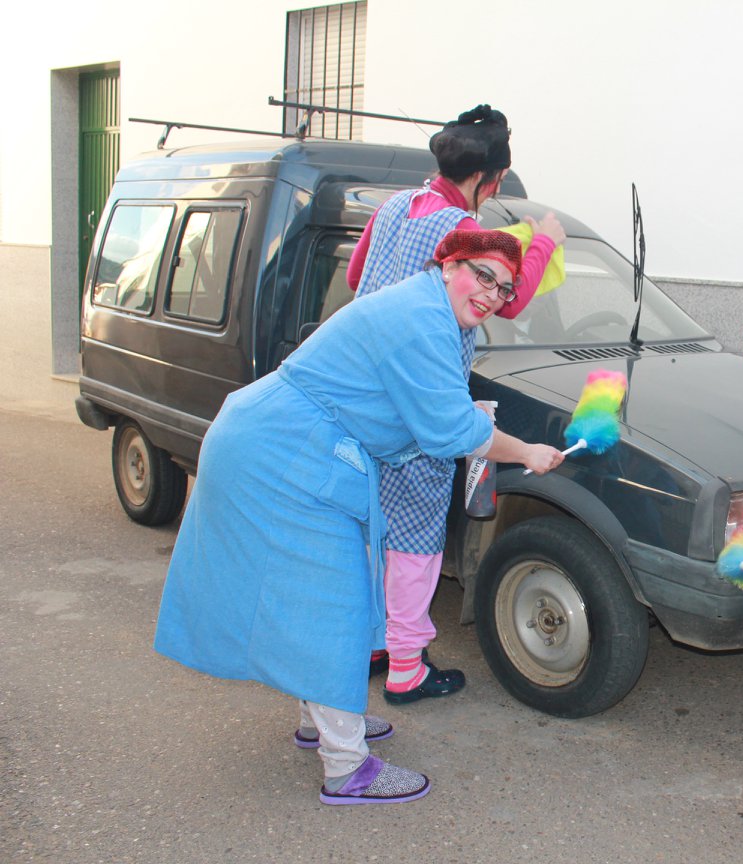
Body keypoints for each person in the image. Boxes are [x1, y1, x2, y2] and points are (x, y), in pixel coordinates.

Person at [153, 229, 566, 805]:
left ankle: (319, 718)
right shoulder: (424, 319)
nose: (493, 294)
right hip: (281, 453)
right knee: (333, 603)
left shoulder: (429, 308)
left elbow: (419, 404)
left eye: (505, 287)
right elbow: (449, 430)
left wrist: (460, 416)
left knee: (311, 598)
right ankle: (347, 767)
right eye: (483, 275)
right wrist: (525, 451)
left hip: (287, 443)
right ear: (448, 265)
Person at [346, 104, 566, 702]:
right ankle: (406, 667)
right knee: (415, 537)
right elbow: (510, 300)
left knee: (369, 527)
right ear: (486, 179)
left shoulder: (391, 207)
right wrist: (545, 240)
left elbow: (355, 279)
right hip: (421, 400)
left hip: (363, 400)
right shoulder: (460, 230)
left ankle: (371, 643)